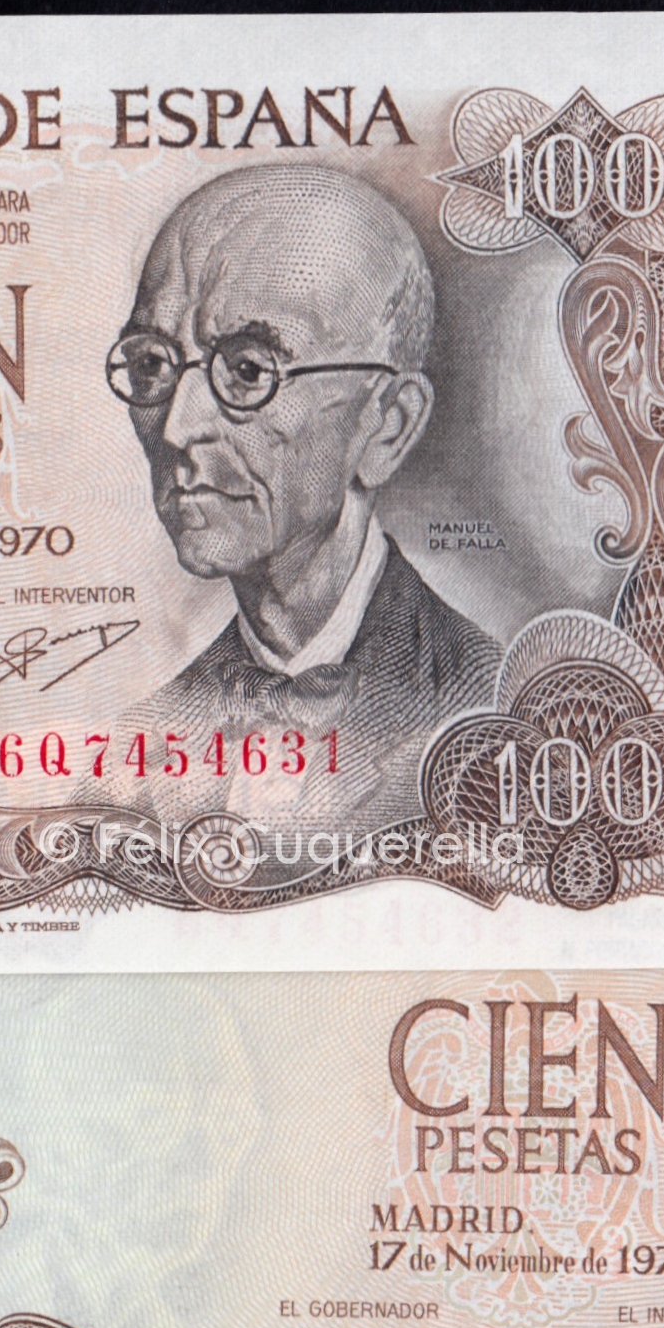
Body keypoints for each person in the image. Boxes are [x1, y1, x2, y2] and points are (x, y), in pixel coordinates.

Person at [105, 166, 499, 839]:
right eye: (152, 365)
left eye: (248, 371)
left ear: (388, 426)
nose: (176, 427)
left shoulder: (497, 710)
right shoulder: (131, 749)